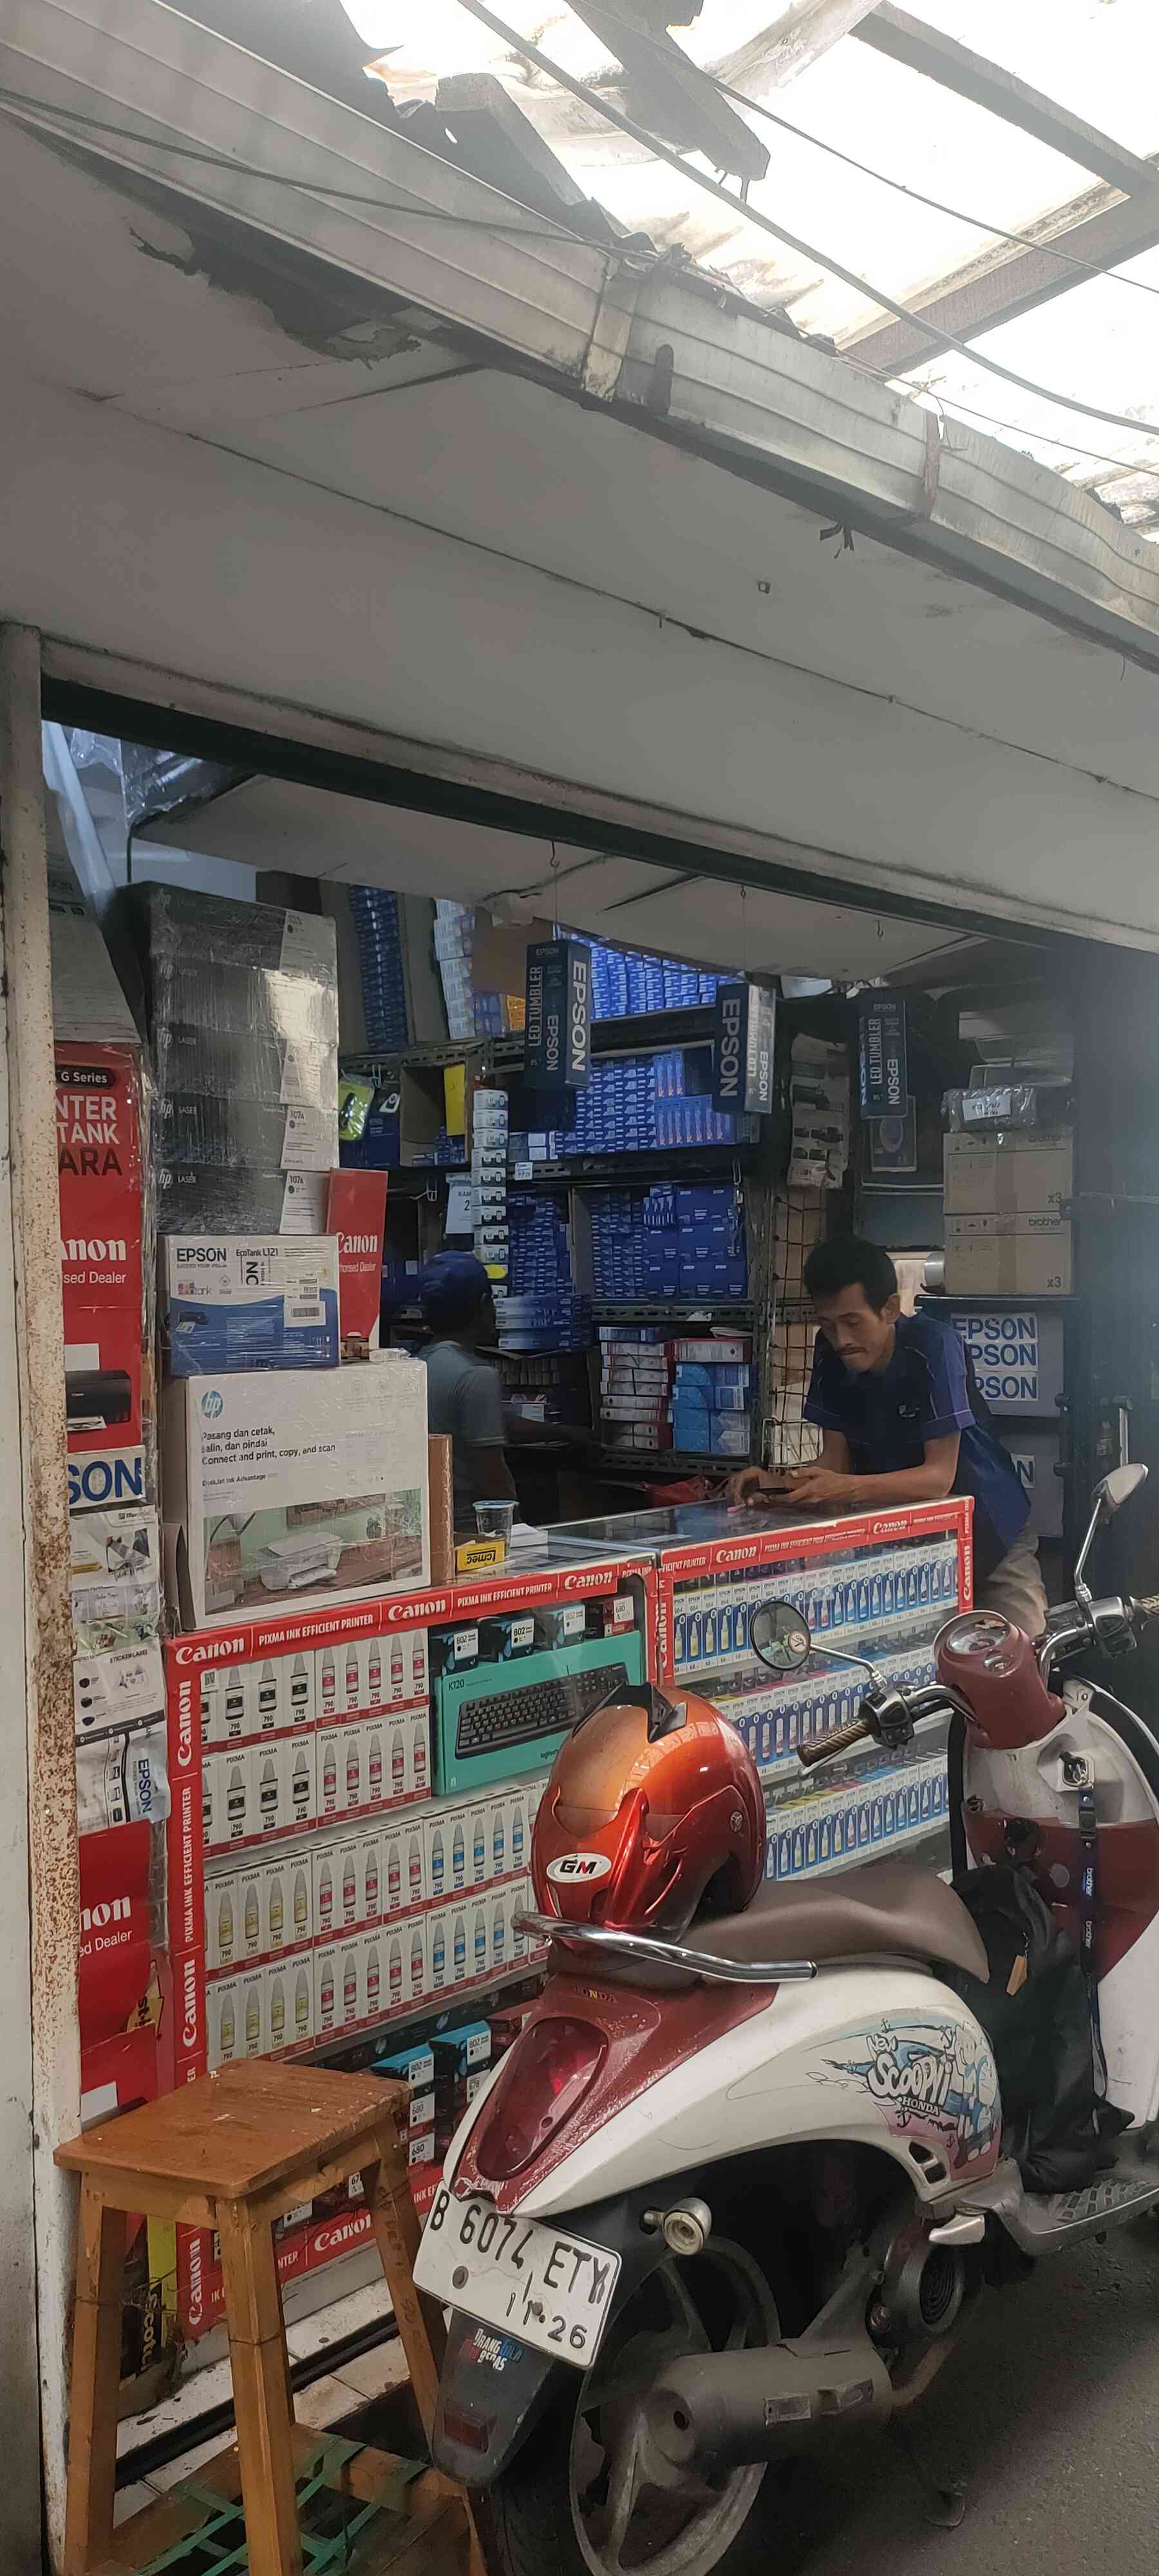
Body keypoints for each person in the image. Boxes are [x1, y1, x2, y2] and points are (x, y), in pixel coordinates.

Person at [731, 1235, 1048, 1634]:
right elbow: (835, 1464)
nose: (842, 1340)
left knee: (1019, 1649)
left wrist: (844, 1489)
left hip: (989, 1528)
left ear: (890, 1309)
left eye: (853, 1322)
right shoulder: (830, 1352)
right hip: (907, 1538)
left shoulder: (935, 1345)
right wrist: (777, 1485)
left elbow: (938, 1479)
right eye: (828, 1325)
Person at [419, 1253, 517, 1530]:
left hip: (430, 1521)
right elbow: (492, 1474)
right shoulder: (476, 1375)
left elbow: (485, 1421)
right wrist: (518, 1528)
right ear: (485, 1305)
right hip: (471, 1526)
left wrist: (564, 1433)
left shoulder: (417, 1364)